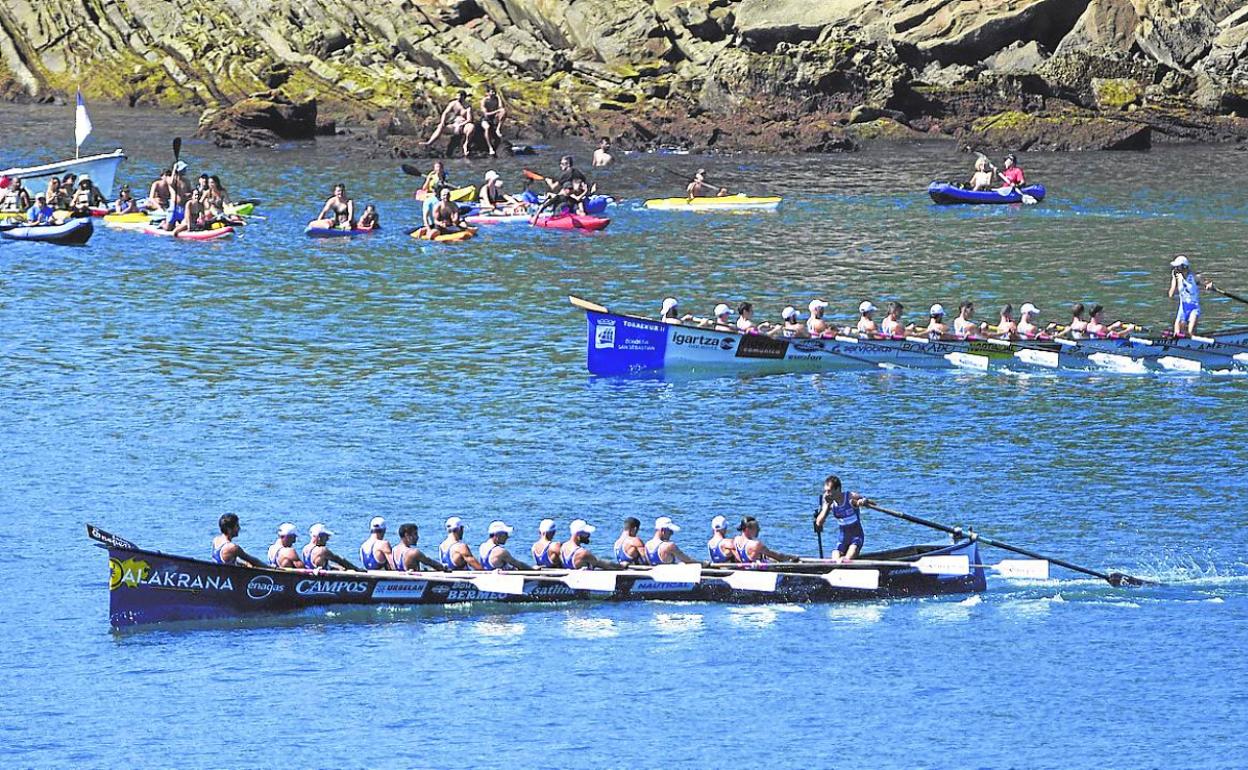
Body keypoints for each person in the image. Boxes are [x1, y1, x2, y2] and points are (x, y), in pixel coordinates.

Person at [813, 475, 869, 562]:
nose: (826, 494)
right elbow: (819, 523)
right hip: (843, 539)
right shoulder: (829, 503)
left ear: (838, 489)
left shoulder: (850, 496)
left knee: (847, 559)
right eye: (825, 491)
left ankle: (844, 562)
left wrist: (864, 501)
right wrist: (827, 506)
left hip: (856, 538)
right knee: (834, 556)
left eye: (829, 491)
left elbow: (871, 503)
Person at [1168, 255, 1211, 337]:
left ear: (1184, 267)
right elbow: (1171, 295)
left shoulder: (1195, 277)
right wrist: (1175, 280)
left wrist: (1209, 286)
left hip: (1194, 307)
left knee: (1190, 331)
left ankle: (1193, 340)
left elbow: (1207, 283)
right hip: (1183, 308)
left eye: (1177, 268)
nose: (1175, 270)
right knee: (1177, 333)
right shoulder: (1177, 278)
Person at [424, 91, 475, 157]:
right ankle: (429, 143)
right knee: (440, 127)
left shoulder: (468, 106)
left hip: (464, 125)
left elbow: (469, 119)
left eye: (460, 96)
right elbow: (445, 113)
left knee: (471, 126)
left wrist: (462, 124)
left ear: (463, 97)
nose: (458, 98)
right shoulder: (453, 103)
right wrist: (442, 122)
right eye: (457, 96)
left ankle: (466, 144)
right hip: (454, 125)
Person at [733, 516, 800, 563]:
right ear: (747, 529)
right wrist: (792, 557)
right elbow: (779, 557)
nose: (759, 530)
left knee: (768, 558)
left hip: (745, 567)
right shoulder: (756, 544)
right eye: (756, 528)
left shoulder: (736, 539)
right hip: (756, 571)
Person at [479, 85, 507, 156]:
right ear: (488, 93)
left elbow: (501, 107)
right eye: (492, 92)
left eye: (494, 92)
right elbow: (486, 114)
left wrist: (499, 97)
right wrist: (497, 111)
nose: (494, 93)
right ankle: (490, 147)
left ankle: (498, 129)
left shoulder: (497, 99)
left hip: (494, 119)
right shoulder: (484, 100)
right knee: (487, 127)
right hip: (485, 119)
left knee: (503, 111)